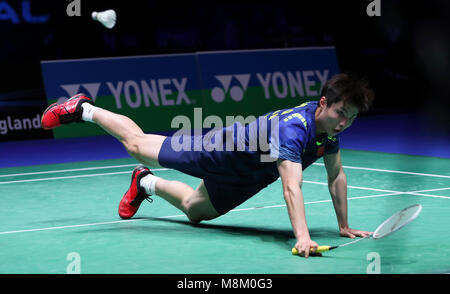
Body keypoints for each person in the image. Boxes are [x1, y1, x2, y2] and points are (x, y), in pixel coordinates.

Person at [41, 73, 375, 258]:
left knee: (194, 211)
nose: (344, 123)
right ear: (323, 104)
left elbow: (337, 176)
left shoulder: (328, 133)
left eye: (351, 119)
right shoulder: (294, 129)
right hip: (222, 150)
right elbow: (291, 185)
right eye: (340, 114)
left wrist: (343, 226)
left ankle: (145, 184)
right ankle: (82, 108)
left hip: (249, 176)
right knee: (138, 146)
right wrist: (302, 237)